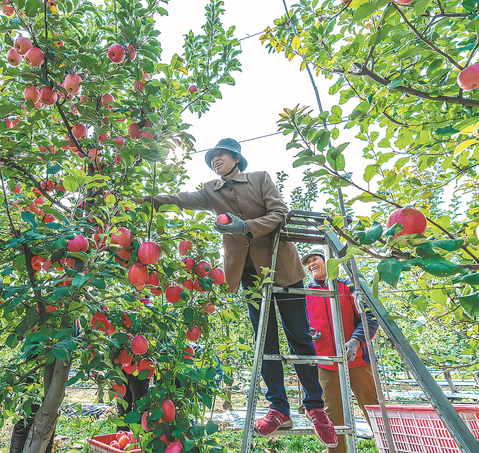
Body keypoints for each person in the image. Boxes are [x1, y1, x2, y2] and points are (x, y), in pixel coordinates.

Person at [139, 138, 338, 446]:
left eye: (220, 155)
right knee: (265, 340)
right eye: (211, 158)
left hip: (281, 269)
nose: (215, 160)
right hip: (250, 276)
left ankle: (315, 407)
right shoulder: (211, 191)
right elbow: (180, 198)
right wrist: (146, 199)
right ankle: (278, 408)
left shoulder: (259, 179)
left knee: (299, 335)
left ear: (235, 157)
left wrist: (244, 226)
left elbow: (280, 212)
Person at [302, 249, 380, 453]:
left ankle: (389, 447)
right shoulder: (305, 293)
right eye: (308, 262)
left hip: (358, 360)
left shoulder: (348, 285)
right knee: (332, 417)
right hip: (326, 364)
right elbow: (302, 326)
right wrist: (310, 333)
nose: (311, 264)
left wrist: (355, 342)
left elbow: (371, 317)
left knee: (374, 409)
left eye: (315, 259)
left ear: (328, 262)